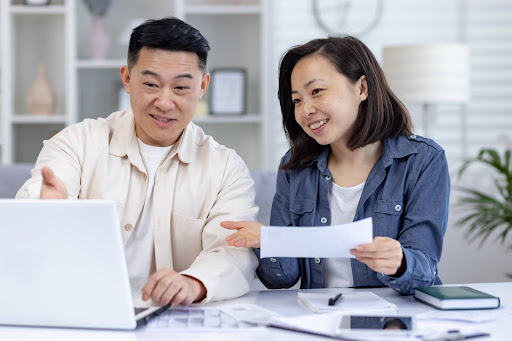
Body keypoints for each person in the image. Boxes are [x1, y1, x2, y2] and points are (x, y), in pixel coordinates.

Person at [16, 17, 258, 306]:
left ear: (203, 86)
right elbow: (35, 205)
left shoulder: (226, 169)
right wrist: (46, 210)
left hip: (178, 319)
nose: (165, 102)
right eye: (151, 84)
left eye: (180, 88)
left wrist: (194, 283)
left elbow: (234, 253)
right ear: (127, 79)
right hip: (82, 307)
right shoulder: (77, 143)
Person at [221, 36, 450, 295]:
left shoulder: (423, 160)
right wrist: (268, 243)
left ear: (362, 88)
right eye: (297, 100)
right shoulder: (295, 166)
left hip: (397, 320)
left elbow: (424, 270)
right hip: (318, 318)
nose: (305, 110)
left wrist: (400, 263)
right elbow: (282, 279)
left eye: (316, 91)